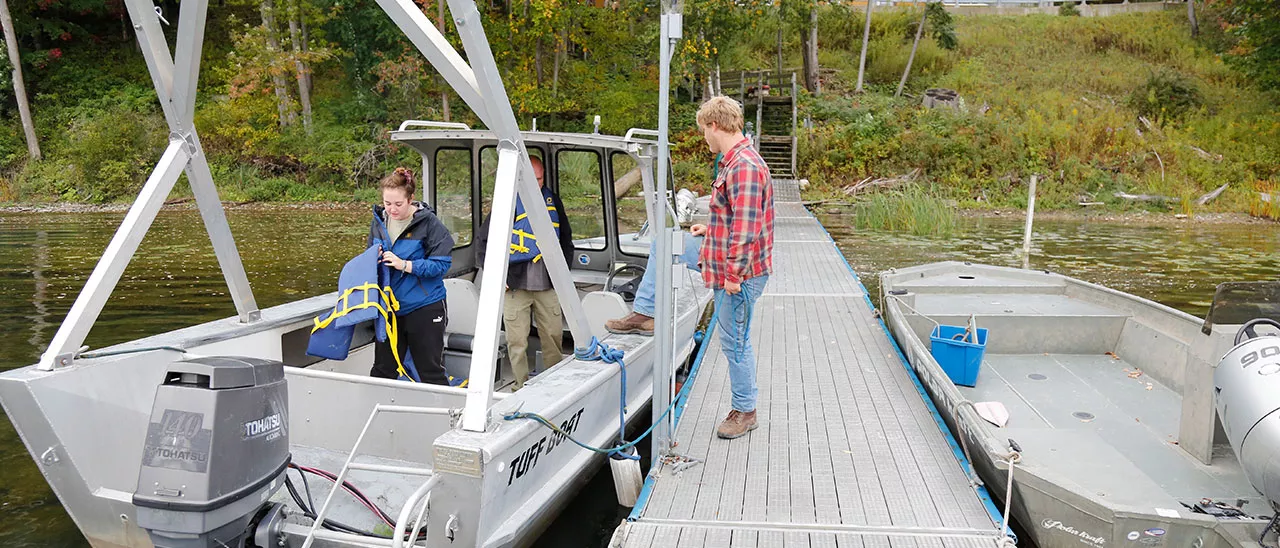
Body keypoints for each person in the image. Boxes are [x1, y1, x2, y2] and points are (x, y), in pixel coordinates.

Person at [477, 156, 574, 390]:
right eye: (531, 179)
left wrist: (562, 274)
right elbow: (484, 242)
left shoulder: (553, 201)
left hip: (547, 285)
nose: (536, 184)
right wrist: (498, 277)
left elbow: (567, 241)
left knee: (552, 337)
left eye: (539, 179)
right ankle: (519, 387)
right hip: (515, 285)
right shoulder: (506, 202)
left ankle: (553, 386)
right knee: (516, 341)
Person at [369, 167, 455, 384]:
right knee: (382, 370)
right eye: (387, 204)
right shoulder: (379, 222)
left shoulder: (430, 224)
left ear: (410, 199)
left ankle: (443, 415)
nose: (392, 209)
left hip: (425, 306)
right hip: (389, 308)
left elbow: (441, 266)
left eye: (398, 204)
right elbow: (369, 256)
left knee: (430, 371)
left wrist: (405, 265)